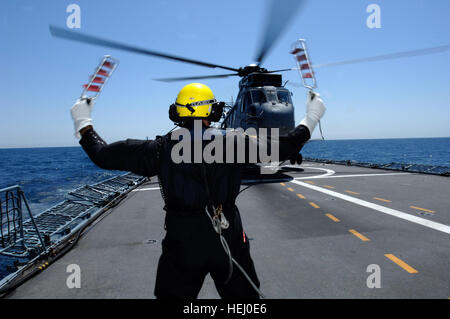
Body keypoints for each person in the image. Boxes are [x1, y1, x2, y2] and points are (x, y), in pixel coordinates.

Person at [70, 82, 326, 299]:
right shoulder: (236, 143)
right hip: (228, 237)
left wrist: (84, 122)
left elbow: (102, 155)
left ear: (176, 113)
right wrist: (311, 118)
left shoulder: (158, 150)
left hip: (182, 244)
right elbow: (285, 147)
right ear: (213, 111)